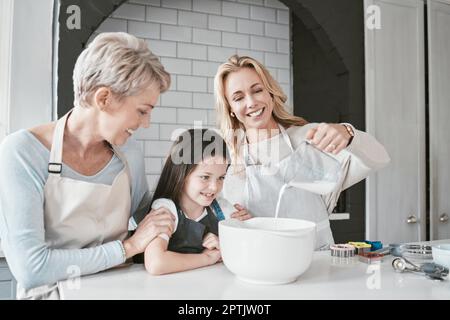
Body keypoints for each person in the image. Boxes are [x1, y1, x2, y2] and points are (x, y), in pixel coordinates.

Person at [0, 32, 175, 299]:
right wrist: (127, 248)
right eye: (142, 110)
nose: (146, 123)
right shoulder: (22, 153)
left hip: (119, 291)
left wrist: (190, 200)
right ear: (104, 98)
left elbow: (147, 218)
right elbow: (32, 268)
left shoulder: (130, 153)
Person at [214, 55, 391, 250]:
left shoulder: (309, 138)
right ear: (230, 108)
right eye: (238, 98)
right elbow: (216, 214)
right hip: (262, 264)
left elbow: (379, 159)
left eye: (257, 90)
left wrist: (348, 134)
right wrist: (238, 221)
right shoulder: (228, 159)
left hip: (317, 262)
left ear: (270, 93)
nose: (251, 102)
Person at [143, 128, 251, 275]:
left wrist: (225, 246)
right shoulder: (165, 209)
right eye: (205, 177)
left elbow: (249, 249)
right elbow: (156, 263)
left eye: (221, 178)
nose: (214, 187)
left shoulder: (222, 208)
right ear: (181, 173)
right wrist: (206, 258)